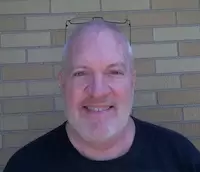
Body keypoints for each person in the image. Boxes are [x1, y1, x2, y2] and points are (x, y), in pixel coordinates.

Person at [3, 18, 200, 172]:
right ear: (63, 82)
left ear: (132, 81)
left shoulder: (181, 159)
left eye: (114, 72)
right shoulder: (25, 166)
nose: (98, 91)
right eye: (81, 73)